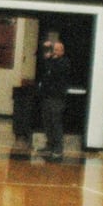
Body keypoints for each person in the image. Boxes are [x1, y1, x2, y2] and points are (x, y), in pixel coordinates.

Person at [36, 33, 70, 161]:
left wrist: (51, 58)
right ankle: (49, 145)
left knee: (56, 123)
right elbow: (43, 65)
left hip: (57, 98)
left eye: (56, 50)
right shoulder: (50, 61)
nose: (54, 52)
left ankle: (58, 149)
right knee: (47, 122)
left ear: (62, 51)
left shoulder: (64, 62)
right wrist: (45, 50)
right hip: (47, 96)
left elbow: (56, 72)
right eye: (53, 49)